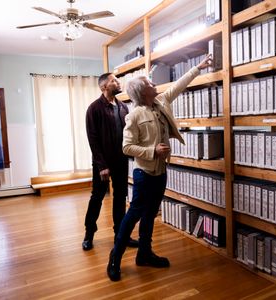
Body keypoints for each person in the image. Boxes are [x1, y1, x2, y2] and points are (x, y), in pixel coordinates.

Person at [106, 54, 213, 281]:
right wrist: (152, 151)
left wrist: (198, 67)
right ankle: (115, 257)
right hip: (144, 174)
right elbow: (126, 147)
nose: (154, 85)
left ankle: (144, 254)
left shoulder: (161, 102)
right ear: (141, 91)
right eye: (149, 83)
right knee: (132, 216)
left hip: (161, 172)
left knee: (150, 214)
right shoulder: (134, 115)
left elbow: (179, 85)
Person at [83, 73, 138, 251]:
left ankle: (120, 236)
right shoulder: (94, 108)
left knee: (120, 198)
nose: (118, 82)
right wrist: (102, 166)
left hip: (121, 161)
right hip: (102, 164)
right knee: (97, 197)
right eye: (113, 81)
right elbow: (93, 139)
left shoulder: (123, 107)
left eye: (117, 80)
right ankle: (89, 233)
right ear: (103, 87)